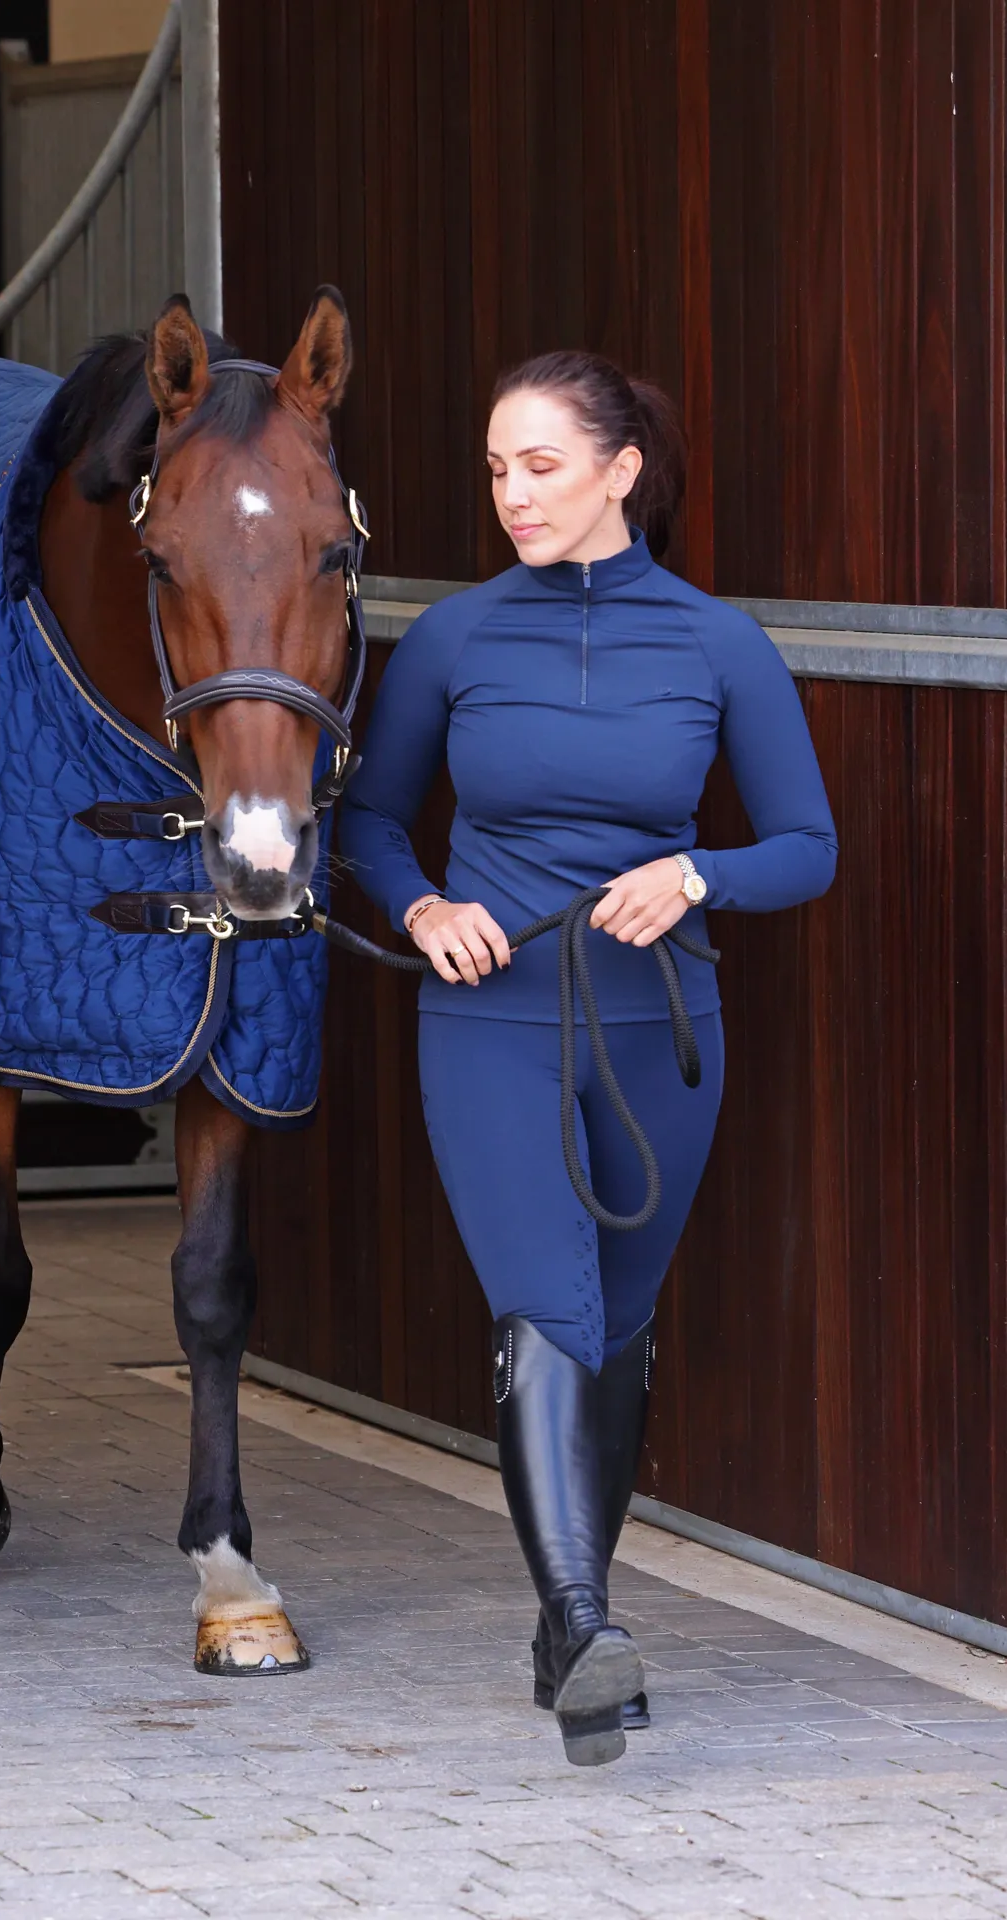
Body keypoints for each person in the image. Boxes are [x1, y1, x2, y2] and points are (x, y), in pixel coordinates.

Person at [338, 352, 837, 1765]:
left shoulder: (718, 644)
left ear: (622, 471)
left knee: (616, 1324)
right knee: (545, 1310)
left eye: (541, 465)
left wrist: (696, 875)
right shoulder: (455, 638)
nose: (512, 493)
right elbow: (367, 821)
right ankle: (581, 1615)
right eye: (497, 468)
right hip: (492, 1020)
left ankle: (572, 1638)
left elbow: (807, 847)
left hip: (660, 1030)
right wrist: (422, 907)